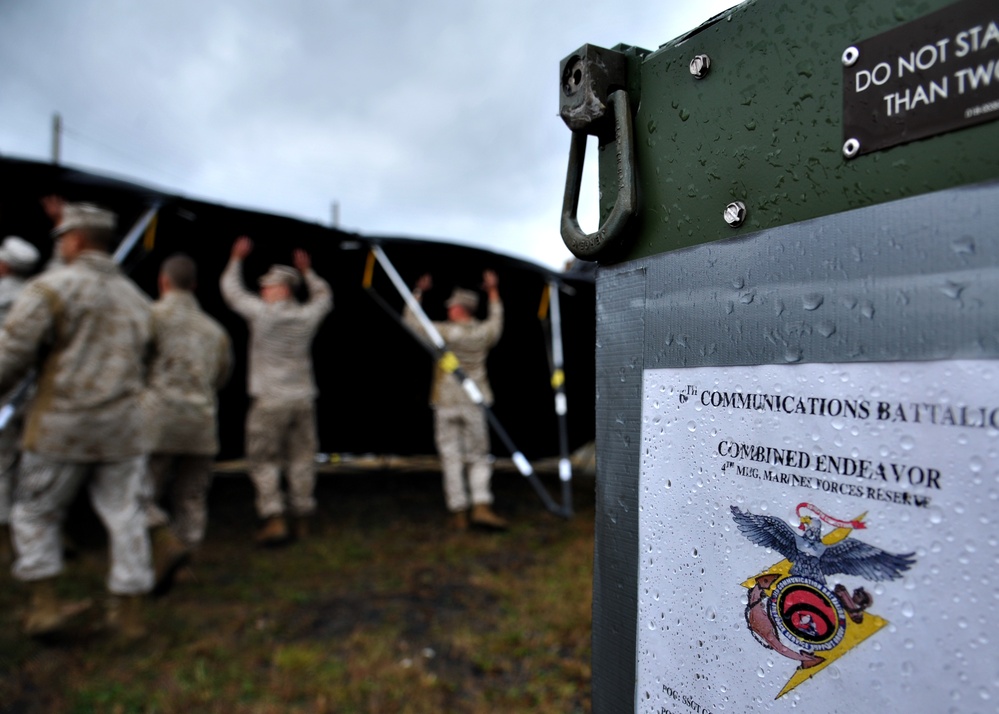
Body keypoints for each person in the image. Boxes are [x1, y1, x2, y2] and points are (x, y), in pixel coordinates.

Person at [0, 202, 154, 639]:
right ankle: (129, 616)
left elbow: (10, 357)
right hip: (123, 428)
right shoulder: (139, 301)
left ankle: (45, 606)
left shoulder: (50, 290)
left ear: (75, 240)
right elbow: (152, 360)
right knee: (127, 516)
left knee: (34, 512)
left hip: (61, 428)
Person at [220, 236, 332, 545]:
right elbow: (324, 297)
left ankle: (274, 517)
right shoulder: (306, 316)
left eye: (267, 287)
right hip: (302, 398)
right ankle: (302, 516)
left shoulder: (262, 314)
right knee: (301, 458)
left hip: (269, 399)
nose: (262, 291)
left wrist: (236, 259)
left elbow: (231, 292)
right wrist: (308, 272)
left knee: (263, 459)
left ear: (281, 289)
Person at [143, 254, 232, 594]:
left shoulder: (149, 318)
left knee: (140, 493)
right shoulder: (214, 330)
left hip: (157, 421)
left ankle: (163, 542)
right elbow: (222, 376)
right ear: (194, 285)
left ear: (163, 281)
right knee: (192, 496)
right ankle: (184, 563)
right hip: (201, 422)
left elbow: (133, 365)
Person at [403, 270, 507, 531]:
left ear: (461, 309)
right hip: (475, 400)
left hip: (447, 401)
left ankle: (459, 510)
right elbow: (496, 321)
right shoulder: (482, 333)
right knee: (478, 456)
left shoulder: (445, 333)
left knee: (451, 457)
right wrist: (493, 291)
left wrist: (418, 293)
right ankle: (481, 504)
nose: (449, 310)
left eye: (452, 307)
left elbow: (411, 321)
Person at [0, 236, 40, 564]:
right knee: (30, 465)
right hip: (32, 394)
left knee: (1, 467)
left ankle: (4, 539)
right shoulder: (34, 298)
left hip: (4, 392)